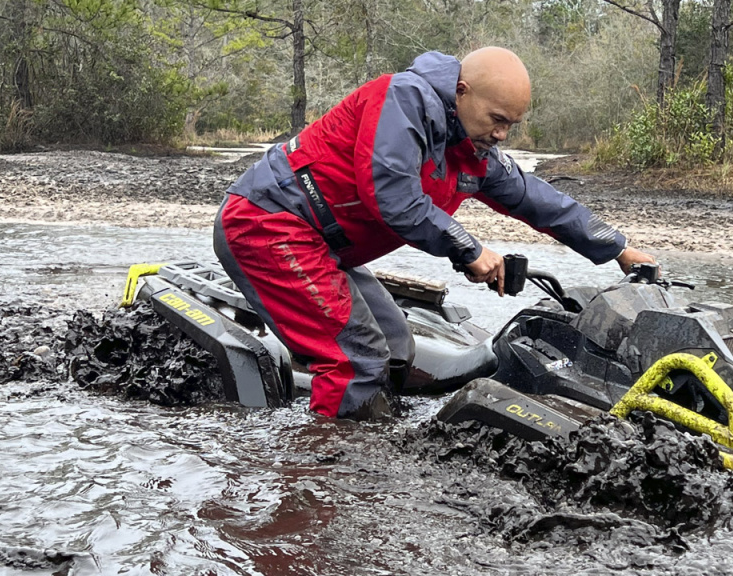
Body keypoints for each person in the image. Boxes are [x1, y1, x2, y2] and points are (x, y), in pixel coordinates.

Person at [214, 47, 657, 420]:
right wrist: (468, 249)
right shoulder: (402, 98)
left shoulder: (475, 147)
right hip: (269, 224)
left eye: (511, 126)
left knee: (394, 347)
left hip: (325, 245)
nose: (501, 134)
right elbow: (392, 195)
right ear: (461, 92)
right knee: (356, 360)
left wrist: (619, 249)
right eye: (496, 119)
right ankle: (326, 481)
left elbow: (537, 200)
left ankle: (363, 430)